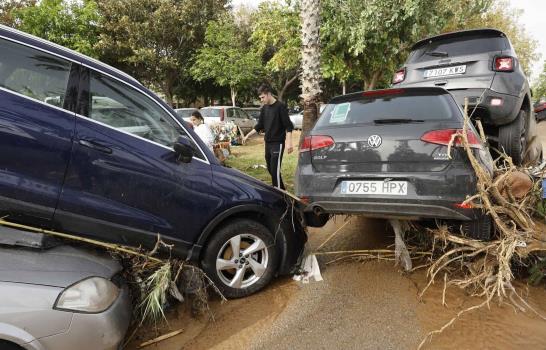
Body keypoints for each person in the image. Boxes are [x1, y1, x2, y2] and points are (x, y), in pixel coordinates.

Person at [243, 84, 293, 190]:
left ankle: (279, 196)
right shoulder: (264, 108)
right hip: (268, 144)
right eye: (260, 98)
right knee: (271, 169)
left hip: (278, 144)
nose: (261, 100)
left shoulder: (280, 107)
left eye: (262, 97)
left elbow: (288, 126)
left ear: (269, 94)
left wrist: (289, 143)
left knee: (275, 171)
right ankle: (283, 191)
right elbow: (259, 125)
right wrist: (247, 135)